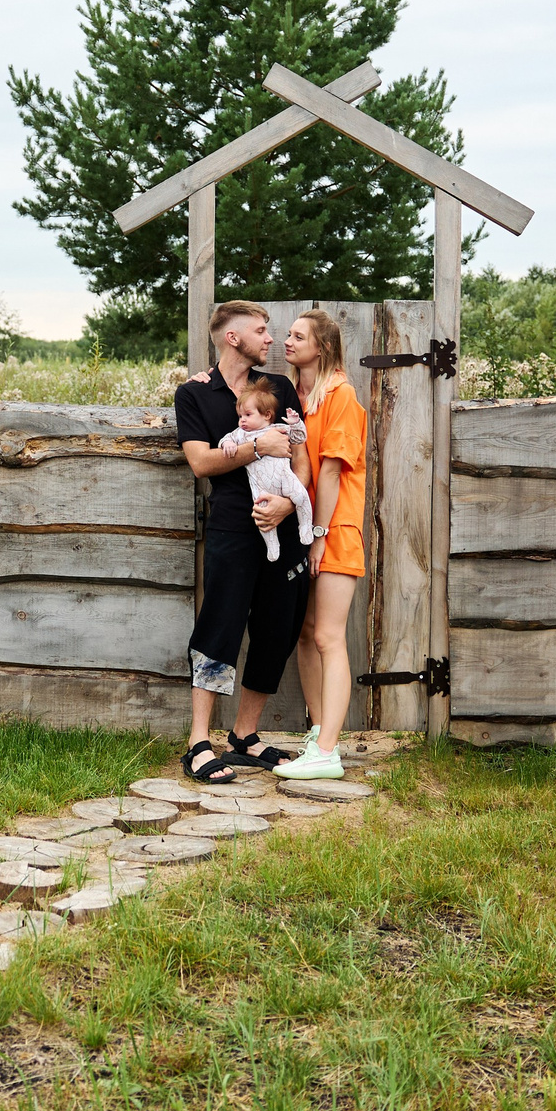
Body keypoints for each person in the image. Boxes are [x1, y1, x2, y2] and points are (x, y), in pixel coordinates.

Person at [171, 301, 310, 784]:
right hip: (233, 528)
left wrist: (290, 505)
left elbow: (303, 456)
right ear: (232, 338)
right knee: (220, 628)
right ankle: (198, 743)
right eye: (260, 330)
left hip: (285, 528)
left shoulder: (279, 388)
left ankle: (245, 737)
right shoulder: (195, 395)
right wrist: (257, 446)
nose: (270, 339)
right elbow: (202, 463)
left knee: (278, 631)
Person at [275, 308, 369, 782]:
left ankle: (329, 750)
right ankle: (317, 734)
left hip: (335, 529)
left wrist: (318, 536)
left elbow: (330, 472)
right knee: (308, 636)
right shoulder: (301, 398)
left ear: (323, 347)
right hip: (310, 530)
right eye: (287, 335)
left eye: (297, 336)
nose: (286, 342)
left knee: (329, 637)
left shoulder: (342, 396)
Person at [216, 380, 312, 562]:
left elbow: (300, 438)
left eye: (247, 414)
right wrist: (227, 444)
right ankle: (272, 544)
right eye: (240, 416)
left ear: (267, 415)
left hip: (284, 478)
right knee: (262, 516)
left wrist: (296, 422)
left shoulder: (278, 428)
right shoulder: (240, 434)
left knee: (300, 496)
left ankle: (305, 525)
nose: (242, 420)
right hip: (260, 486)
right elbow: (226, 439)